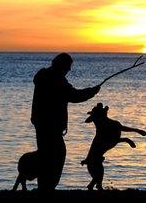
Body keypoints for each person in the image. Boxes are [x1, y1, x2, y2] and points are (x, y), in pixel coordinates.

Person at [31, 53, 100, 194]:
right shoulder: (56, 79)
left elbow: (70, 94)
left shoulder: (45, 77)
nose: (69, 70)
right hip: (50, 125)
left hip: (41, 123)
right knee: (55, 155)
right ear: (61, 66)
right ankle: (47, 188)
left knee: (46, 156)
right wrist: (92, 92)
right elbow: (73, 95)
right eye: (68, 67)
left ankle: (45, 188)